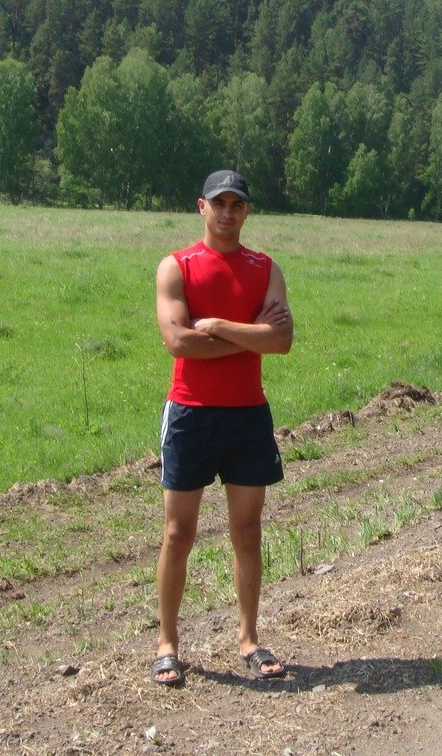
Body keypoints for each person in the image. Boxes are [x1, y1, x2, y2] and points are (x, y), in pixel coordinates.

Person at [149, 170, 294, 687]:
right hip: (191, 415)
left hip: (247, 414)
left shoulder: (265, 269)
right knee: (178, 532)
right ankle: (167, 644)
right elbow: (179, 342)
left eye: (237, 204)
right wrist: (252, 336)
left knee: (247, 532)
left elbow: (282, 341)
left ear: (247, 211)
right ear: (202, 207)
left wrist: (220, 327)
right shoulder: (177, 266)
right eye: (219, 203)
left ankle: (249, 638)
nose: (227, 213)